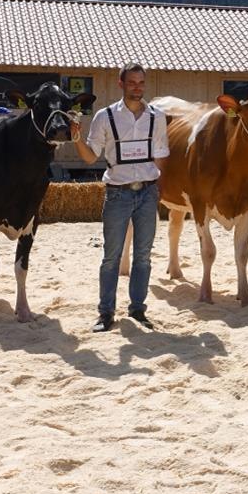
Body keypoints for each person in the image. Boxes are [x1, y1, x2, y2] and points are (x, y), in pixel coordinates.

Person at [73, 63, 170, 332]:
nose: (137, 88)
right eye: (132, 83)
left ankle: (138, 310)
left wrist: (162, 190)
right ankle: (105, 313)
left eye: (141, 83)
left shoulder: (157, 117)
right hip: (117, 193)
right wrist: (76, 138)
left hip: (148, 192)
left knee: (143, 255)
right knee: (111, 256)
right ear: (121, 84)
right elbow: (91, 156)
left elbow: (162, 155)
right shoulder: (105, 117)